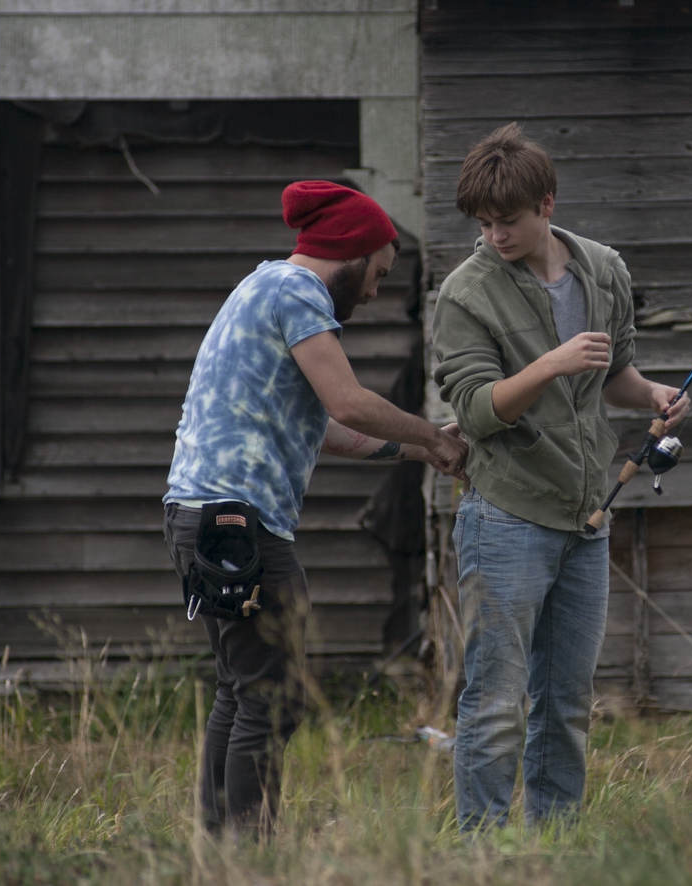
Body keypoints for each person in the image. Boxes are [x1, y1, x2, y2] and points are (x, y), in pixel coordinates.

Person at [163, 180, 467, 838]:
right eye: (378, 274)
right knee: (274, 699)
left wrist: (418, 455)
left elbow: (327, 429)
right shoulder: (297, 292)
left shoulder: (259, 287)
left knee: (242, 689)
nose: (375, 291)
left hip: (202, 513)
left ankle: (221, 847)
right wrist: (434, 433)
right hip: (236, 520)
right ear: (352, 252)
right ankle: (250, 853)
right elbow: (350, 402)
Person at [431, 124, 690, 830]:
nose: (493, 236)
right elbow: (478, 412)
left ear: (547, 204)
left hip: (587, 519)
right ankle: (482, 856)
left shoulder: (603, 269)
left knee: (567, 702)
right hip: (507, 518)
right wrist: (550, 361)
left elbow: (614, 377)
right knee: (494, 699)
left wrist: (654, 396)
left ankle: (553, 848)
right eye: (482, 225)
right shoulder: (464, 294)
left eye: (507, 222)